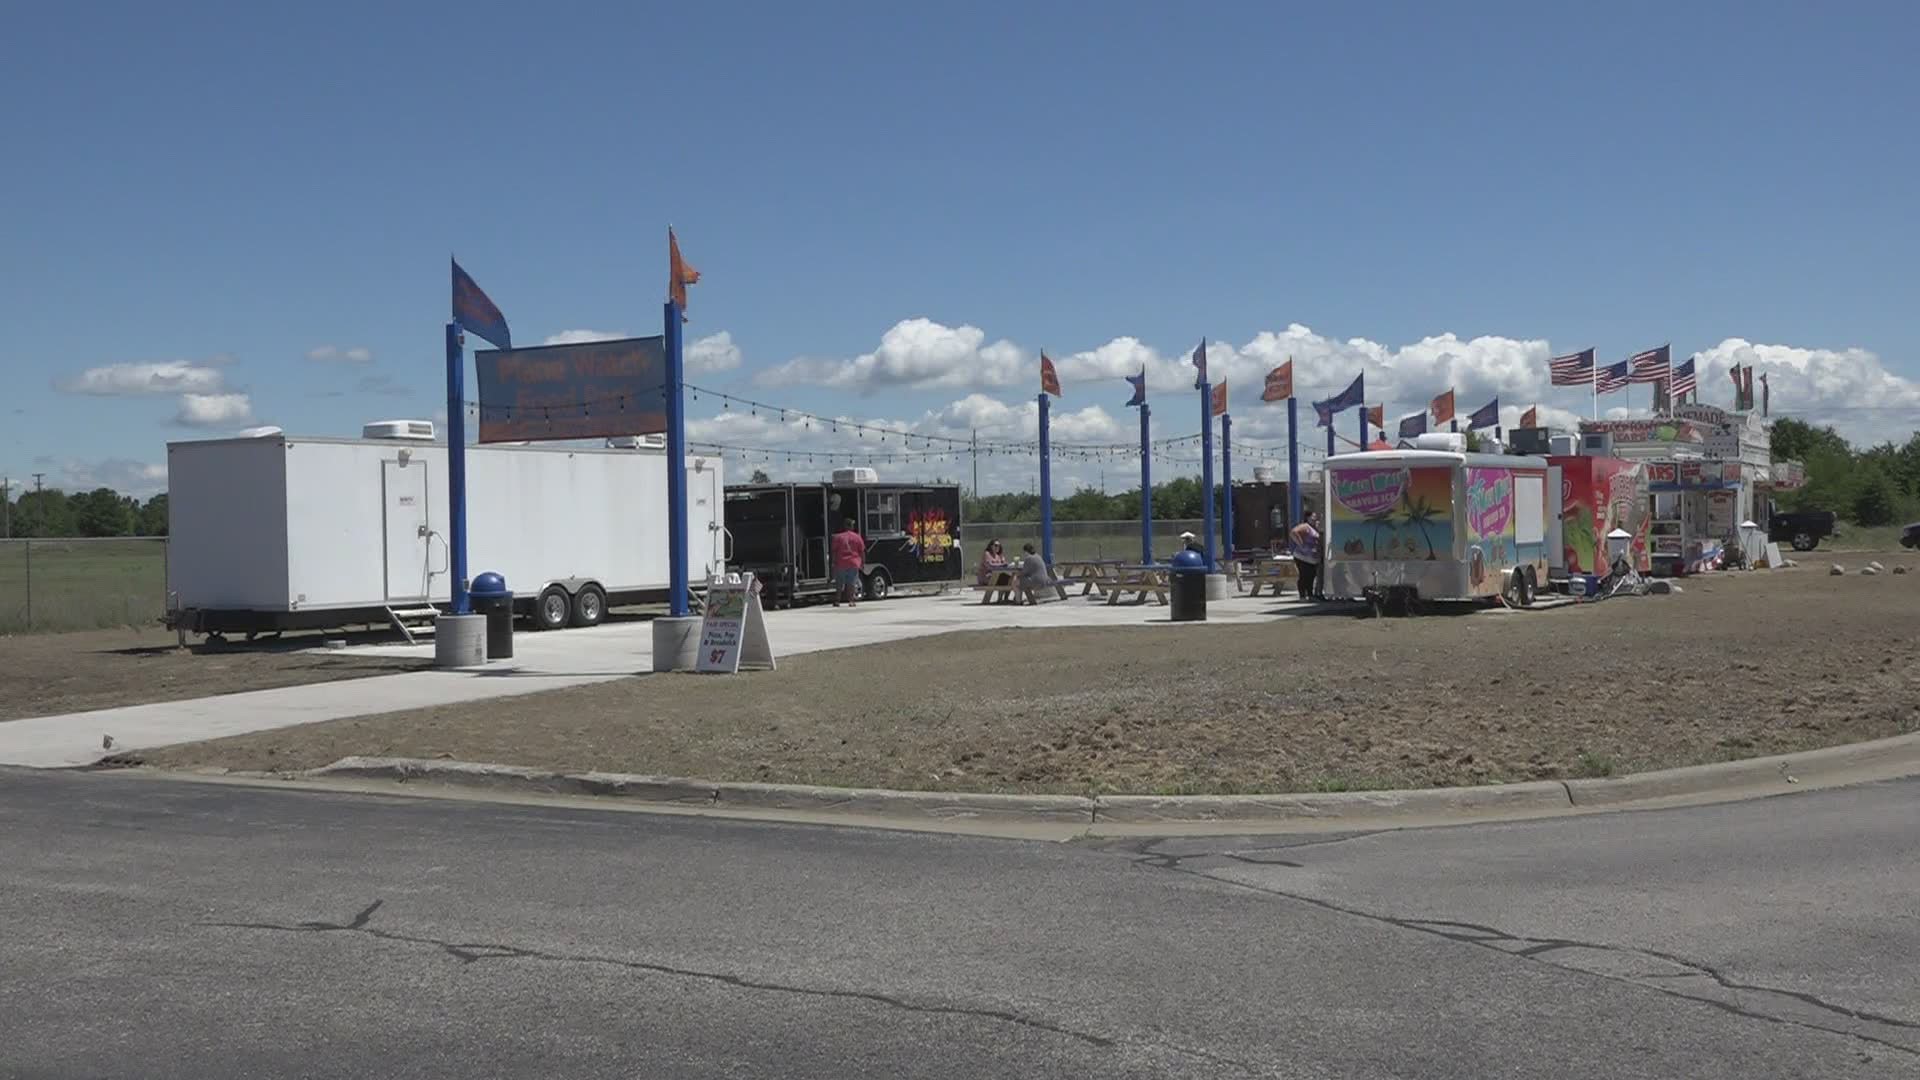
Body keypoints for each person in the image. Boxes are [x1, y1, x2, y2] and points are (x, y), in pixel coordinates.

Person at [830, 517, 865, 607]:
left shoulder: (838, 537)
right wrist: (862, 563)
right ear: (851, 526)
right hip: (853, 563)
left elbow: (834, 551)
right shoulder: (857, 537)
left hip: (841, 563)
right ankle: (851, 601)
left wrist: (833, 563)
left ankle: (837, 601)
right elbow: (862, 551)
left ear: (845, 526)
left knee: (839, 583)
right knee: (851, 583)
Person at [1289, 510, 1323, 600]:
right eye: (1313, 516)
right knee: (1304, 575)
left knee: (1311, 576)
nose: (1315, 518)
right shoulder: (1305, 526)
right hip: (1302, 557)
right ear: (1308, 518)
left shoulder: (1314, 528)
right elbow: (1293, 532)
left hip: (1312, 558)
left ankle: (1310, 595)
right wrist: (1301, 544)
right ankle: (1302, 596)